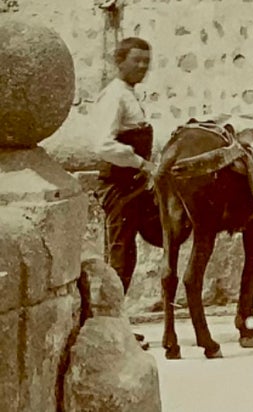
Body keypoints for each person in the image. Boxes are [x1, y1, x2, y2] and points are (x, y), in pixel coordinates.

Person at [93, 38, 163, 332]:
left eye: (147, 61)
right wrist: (141, 164)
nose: (143, 67)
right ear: (119, 62)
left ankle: (118, 325)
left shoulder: (131, 95)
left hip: (136, 185)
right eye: (137, 61)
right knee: (120, 255)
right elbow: (103, 144)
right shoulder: (114, 97)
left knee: (135, 252)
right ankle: (111, 329)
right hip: (119, 186)